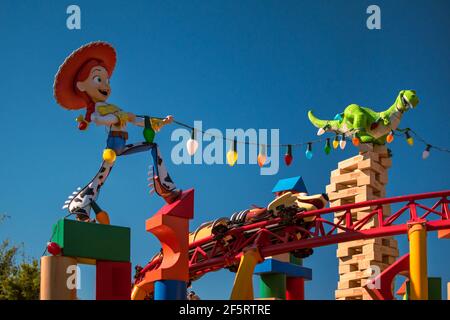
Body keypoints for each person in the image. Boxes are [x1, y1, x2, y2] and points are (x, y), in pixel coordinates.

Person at [54, 41, 181, 222]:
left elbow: (138, 120)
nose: (105, 85)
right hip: (112, 148)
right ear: (82, 86)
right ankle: (80, 204)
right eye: (99, 79)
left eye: (106, 80)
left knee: (152, 146)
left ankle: (164, 185)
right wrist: (118, 118)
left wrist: (162, 122)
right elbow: (98, 119)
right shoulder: (101, 109)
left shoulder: (114, 109)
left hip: (120, 146)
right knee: (100, 177)